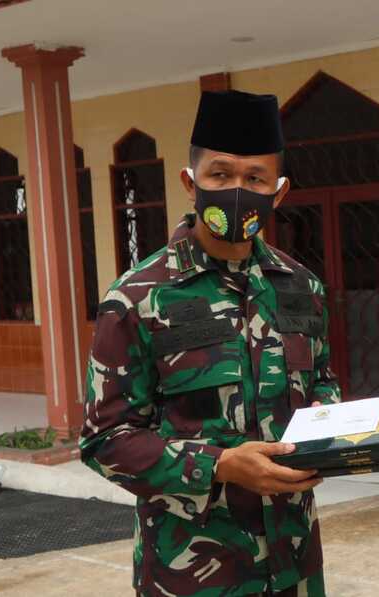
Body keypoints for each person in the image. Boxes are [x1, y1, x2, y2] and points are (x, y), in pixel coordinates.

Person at [80, 90, 341, 597]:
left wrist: (333, 438)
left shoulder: (300, 286)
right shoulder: (136, 297)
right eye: (220, 175)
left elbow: (322, 383)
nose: (237, 190)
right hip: (192, 573)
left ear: (279, 192)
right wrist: (218, 465)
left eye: (255, 178)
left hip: (295, 565)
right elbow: (104, 439)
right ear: (190, 181)